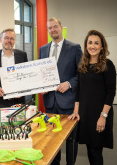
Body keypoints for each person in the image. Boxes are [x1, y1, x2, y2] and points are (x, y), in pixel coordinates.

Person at [68, 30, 116, 165]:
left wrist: (103, 116)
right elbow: (79, 90)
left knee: (95, 152)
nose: (92, 46)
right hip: (86, 114)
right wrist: (76, 111)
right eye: (90, 43)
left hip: (100, 114)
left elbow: (111, 92)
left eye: (96, 43)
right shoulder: (83, 65)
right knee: (90, 149)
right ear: (86, 45)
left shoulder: (108, 65)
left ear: (102, 46)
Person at [39, 17, 82, 165]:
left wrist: (69, 83)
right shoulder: (43, 49)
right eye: (50, 28)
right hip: (50, 102)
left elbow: (81, 75)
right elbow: (41, 74)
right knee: (51, 139)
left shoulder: (75, 48)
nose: (53, 30)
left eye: (55, 26)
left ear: (61, 27)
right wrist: (41, 86)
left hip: (68, 102)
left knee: (71, 140)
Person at [0, 28, 28, 108]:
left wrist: (22, 90)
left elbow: (26, 76)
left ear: (14, 41)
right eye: (6, 38)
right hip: (0, 100)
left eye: (12, 38)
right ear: (1, 39)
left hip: (18, 101)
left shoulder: (22, 55)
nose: (9, 41)